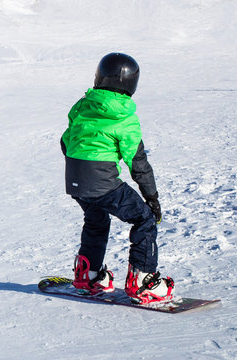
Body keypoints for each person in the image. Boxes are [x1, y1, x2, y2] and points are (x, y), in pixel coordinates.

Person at [60, 53, 174, 304]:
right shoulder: (125, 117)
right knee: (144, 219)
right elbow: (138, 162)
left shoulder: (82, 106)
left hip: (75, 181)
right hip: (103, 183)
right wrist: (151, 198)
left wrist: (80, 170)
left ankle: (88, 276)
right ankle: (143, 281)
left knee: (96, 219)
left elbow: (66, 140)